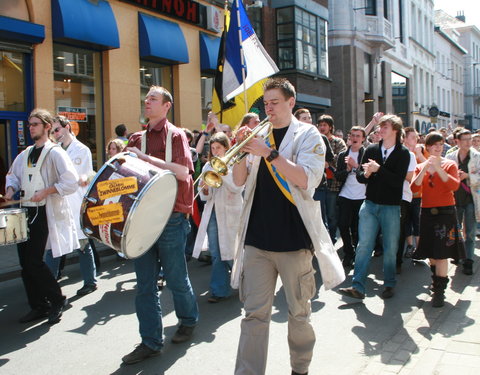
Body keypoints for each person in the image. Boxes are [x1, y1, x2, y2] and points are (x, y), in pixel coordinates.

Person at [231, 78, 344, 375]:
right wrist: (241, 151)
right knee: (254, 315)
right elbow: (239, 180)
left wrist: (267, 152)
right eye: (265, 104)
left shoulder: (308, 135)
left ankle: (300, 368)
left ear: (291, 102)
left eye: (274, 103)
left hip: (294, 241)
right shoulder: (258, 135)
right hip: (257, 239)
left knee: (299, 314)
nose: (268, 108)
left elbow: (306, 179)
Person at [121, 86, 199, 365]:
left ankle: (188, 319)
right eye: (146, 98)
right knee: (144, 285)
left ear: (167, 106)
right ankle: (151, 341)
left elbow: (182, 172)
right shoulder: (135, 138)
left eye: (153, 99)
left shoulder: (176, 136)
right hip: (142, 220)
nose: (147, 102)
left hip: (172, 218)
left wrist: (145, 159)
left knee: (177, 278)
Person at [4, 108, 79, 324]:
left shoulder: (55, 153)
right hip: (26, 211)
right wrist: (10, 190)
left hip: (43, 212)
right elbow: (13, 176)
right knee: (25, 264)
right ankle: (38, 305)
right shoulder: (25, 153)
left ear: (47, 127)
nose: (31, 127)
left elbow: (71, 181)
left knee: (34, 261)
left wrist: (46, 191)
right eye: (29, 124)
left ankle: (57, 300)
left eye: (35, 124)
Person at [339, 114, 411, 300]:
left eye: (385, 127)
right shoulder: (371, 149)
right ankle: (358, 286)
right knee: (364, 246)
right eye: (380, 127)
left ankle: (389, 283)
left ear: (395, 130)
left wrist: (379, 170)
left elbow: (397, 182)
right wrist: (368, 173)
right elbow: (361, 178)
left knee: (389, 248)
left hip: (391, 207)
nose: (380, 130)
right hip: (369, 204)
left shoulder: (403, 153)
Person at [44, 115, 98, 295]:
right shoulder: (54, 150)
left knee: (82, 245)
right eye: (52, 132)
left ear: (67, 127)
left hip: (75, 203)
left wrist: (82, 178)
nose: (55, 134)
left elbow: (85, 175)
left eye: (57, 130)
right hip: (59, 203)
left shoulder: (81, 149)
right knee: (54, 245)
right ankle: (48, 285)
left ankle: (90, 282)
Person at [411, 132, 465, 307]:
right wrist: (426, 167)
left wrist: (439, 168)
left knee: (442, 254)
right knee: (431, 254)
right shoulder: (421, 166)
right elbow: (414, 188)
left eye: (440, 145)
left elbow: (454, 185)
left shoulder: (450, 164)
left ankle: (439, 292)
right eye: (434, 145)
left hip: (446, 212)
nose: (438, 148)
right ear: (427, 147)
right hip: (427, 212)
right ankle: (436, 282)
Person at [193, 132, 243, 302]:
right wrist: (205, 190)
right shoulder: (208, 166)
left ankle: (245, 280)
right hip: (213, 212)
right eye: (213, 148)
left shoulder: (235, 163)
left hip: (231, 212)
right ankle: (219, 290)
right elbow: (205, 196)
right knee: (216, 252)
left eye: (218, 148)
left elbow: (238, 188)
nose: (215, 151)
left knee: (231, 250)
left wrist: (223, 173)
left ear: (226, 147)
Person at [446, 129, 480, 275]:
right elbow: (445, 176)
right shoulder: (450, 156)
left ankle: (469, 261)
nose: (468, 142)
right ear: (457, 141)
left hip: (471, 198)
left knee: (471, 231)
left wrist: (467, 176)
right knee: (455, 230)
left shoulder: (477, 156)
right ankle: (457, 254)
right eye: (465, 139)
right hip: (454, 198)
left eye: (469, 139)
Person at [335, 126, 367, 268]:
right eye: (352, 135)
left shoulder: (366, 154)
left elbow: (368, 176)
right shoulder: (343, 155)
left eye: (358, 136)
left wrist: (356, 166)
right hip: (345, 195)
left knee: (356, 227)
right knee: (342, 224)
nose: (354, 138)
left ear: (363, 139)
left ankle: (357, 254)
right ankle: (348, 252)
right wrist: (347, 170)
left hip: (361, 196)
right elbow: (338, 176)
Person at [317, 114, 347, 242]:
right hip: (318, 182)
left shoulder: (337, 141)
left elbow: (342, 157)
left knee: (331, 214)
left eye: (325, 125)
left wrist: (328, 162)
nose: (322, 127)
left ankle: (332, 238)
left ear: (330, 127)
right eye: (320, 125)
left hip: (332, 183)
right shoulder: (315, 139)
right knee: (319, 214)